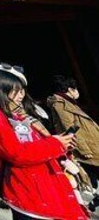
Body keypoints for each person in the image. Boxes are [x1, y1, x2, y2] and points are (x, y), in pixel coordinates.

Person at [0, 69, 87, 220]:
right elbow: (16, 153)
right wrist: (55, 143)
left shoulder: (11, 114)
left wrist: (61, 143)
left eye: (22, 90)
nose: (21, 95)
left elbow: (30, 144)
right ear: (1, 90)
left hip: (39, 186)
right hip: (29, 189)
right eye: (16, 90)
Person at [47, 75, 99, 209]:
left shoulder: (68, 103)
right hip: (87, 147)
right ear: (70, 89)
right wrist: (83, 149)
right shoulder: (60, 103)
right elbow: (69, 126)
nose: (78, 92)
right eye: (76, 89)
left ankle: (94, 201)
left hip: (92, 144)